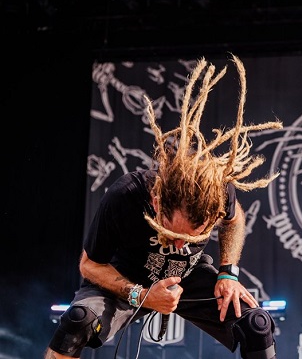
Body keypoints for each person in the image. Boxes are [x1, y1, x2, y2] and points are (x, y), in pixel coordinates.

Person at [44, 55, 283, 359]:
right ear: (157, 202)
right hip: (126, 279)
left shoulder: (217, 191)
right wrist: (140, 295)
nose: (182, 245)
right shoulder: (125, 194)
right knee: (77, 322)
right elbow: (89, 265)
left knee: (256, 324)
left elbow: (234, 220)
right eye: (173, 234)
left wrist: (229, 273)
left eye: (194, 238)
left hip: (188, 277)